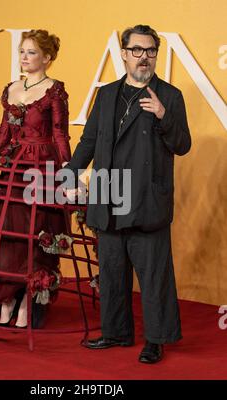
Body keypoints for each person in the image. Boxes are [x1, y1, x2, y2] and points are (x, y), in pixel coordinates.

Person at [62, 25, 191, 363]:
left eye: (150, 51)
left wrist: (163, 115)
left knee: (153, 276)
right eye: (137, 50)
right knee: (112, 270)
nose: (143, 57)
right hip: (108, 196)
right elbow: (89, 140)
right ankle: (116, 333)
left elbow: (183, 145)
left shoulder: (170, 95)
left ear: (156, 55)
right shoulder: (106, 94)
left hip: (147, 199)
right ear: (123, 53)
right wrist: (71, 172)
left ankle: (156, 339)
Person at [0, 29, 71, 328]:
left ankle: (27, 300)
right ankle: (7, 299)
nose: (24, 57)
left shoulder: (55, 91)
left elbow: (61, 135)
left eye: (32, 52)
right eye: (22, 51)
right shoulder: (11, 88)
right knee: (7, 232)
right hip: (14, 168)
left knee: (36, 232)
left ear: (47, 58)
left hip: (43, 168)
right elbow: (4, 131)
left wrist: (68, 170)